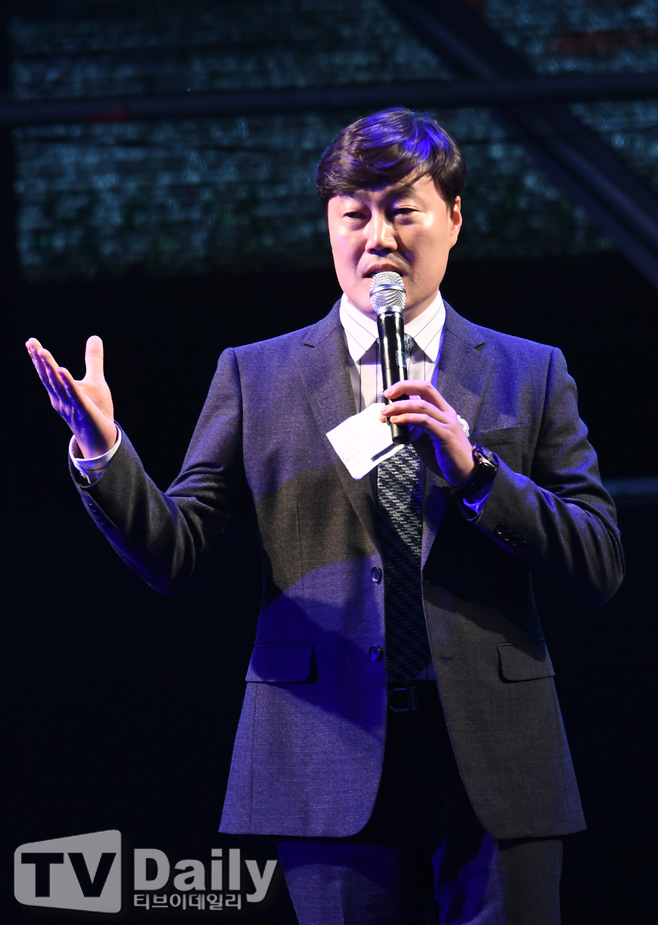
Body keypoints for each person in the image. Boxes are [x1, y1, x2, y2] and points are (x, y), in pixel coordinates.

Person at [26, 108, 623, 924]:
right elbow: (174, 550)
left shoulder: (530, 371)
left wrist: (478, 472)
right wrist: (104, 451)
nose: (379, 237)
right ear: (329, 226)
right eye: (355, 214)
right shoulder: (258, 376)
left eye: (402, 210)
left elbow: (599, 561)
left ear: (453, 217)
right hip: (324, 752)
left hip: (497, 757)